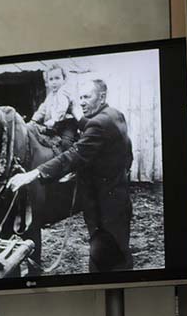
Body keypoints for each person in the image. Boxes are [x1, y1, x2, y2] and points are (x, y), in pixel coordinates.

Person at [9, 77, 134, 272]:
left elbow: (72, 156)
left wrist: (35, 172)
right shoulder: (115, 115)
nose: (81, 102)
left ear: (102, 97)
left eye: (87, 97)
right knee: (118, 256)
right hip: (118, 197)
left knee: (105, 263)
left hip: (104, 208)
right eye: (80, 97)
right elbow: (127, 152)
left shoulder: (99, 124)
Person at [29, 64, 81, 151]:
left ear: (64, 80)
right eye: (51, 79)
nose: (54, 82)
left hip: (67, 124)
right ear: (47, 83)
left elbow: (62, 108)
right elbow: (43, 109)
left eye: (57, 78)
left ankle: (70, 157)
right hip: (55, 125)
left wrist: (54, 120)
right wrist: (33, 120)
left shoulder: (63, 91)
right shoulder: (50, 96)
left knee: (66, 143)